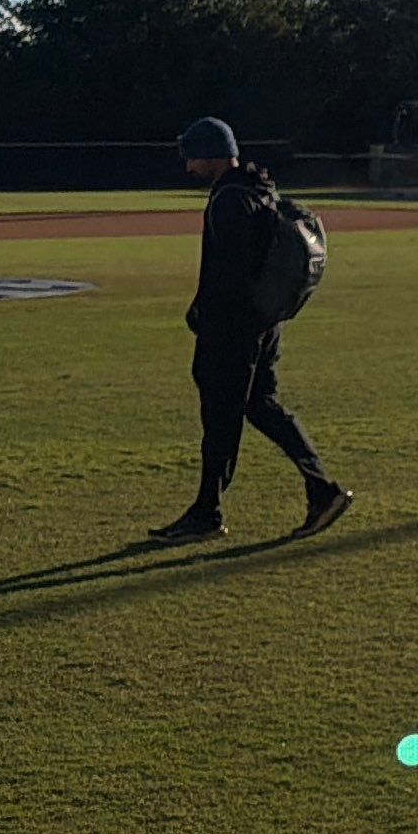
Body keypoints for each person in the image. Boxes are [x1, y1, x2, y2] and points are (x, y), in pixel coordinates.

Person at [148, 116, 352, 544]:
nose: (189, 167)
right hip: (264, 321)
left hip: (233, 327)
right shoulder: (260, 186)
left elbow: (230, 270)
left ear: (211, 154)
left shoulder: (229, 199)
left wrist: (204, 314)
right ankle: (322, 489)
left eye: (193, 157)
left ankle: (207, 513)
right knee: (262, 405)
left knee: (221, 418)